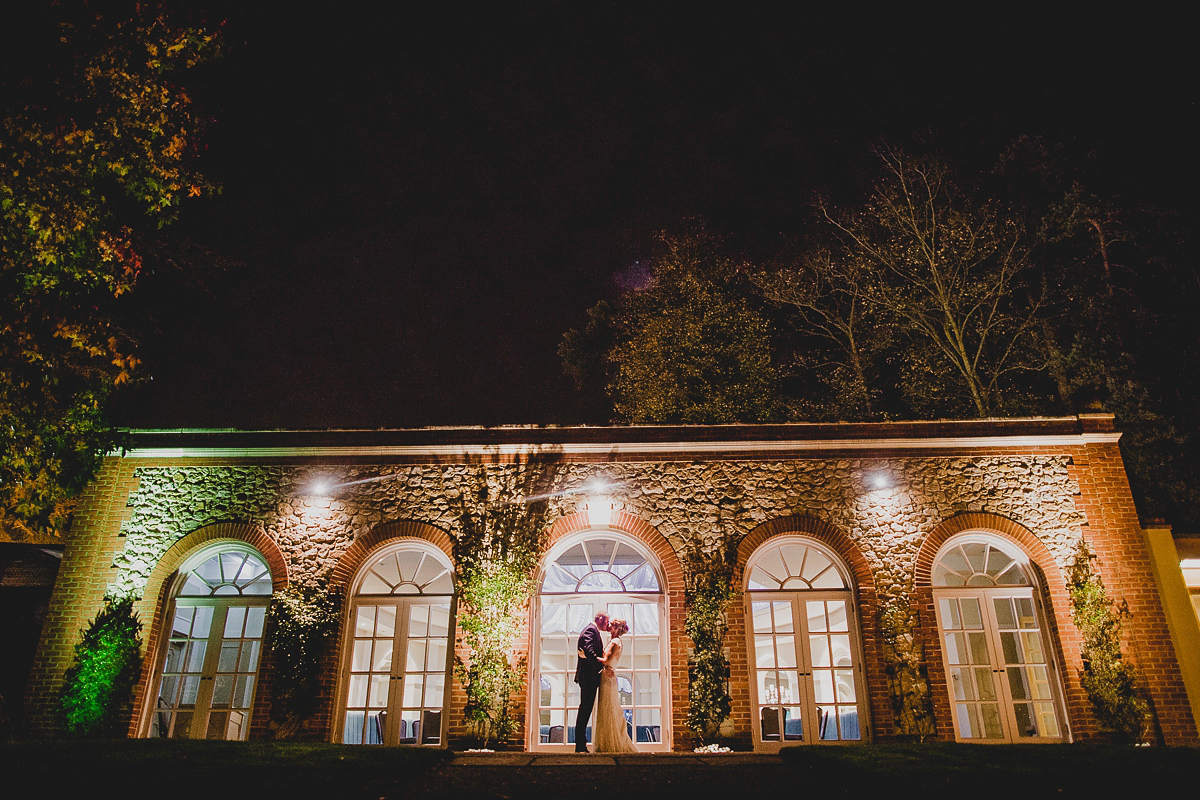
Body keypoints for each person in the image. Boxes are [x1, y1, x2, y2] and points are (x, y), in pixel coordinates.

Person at [594, 618, 638, 753]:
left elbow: (606, 660)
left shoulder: (615, 642)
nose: (608, 626)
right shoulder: (614, 641)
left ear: (616, 629)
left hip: (608, 678)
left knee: (609, 708)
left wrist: (588, 656)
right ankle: (606, 742)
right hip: (607, 676)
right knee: (606, 708)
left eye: (611, 625)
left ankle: (611, 743)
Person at [573, 611, 609, 752]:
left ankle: (580, 744)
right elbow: (588, 649)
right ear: (600, 619)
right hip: (588, 677)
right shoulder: (590, 630)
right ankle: (580, 745)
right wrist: (600, 667)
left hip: (589, 676)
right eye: (606, 621)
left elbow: (587, 652)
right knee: (585, 710)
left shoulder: (592, 630)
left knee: (586, 709)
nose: (607, 625)